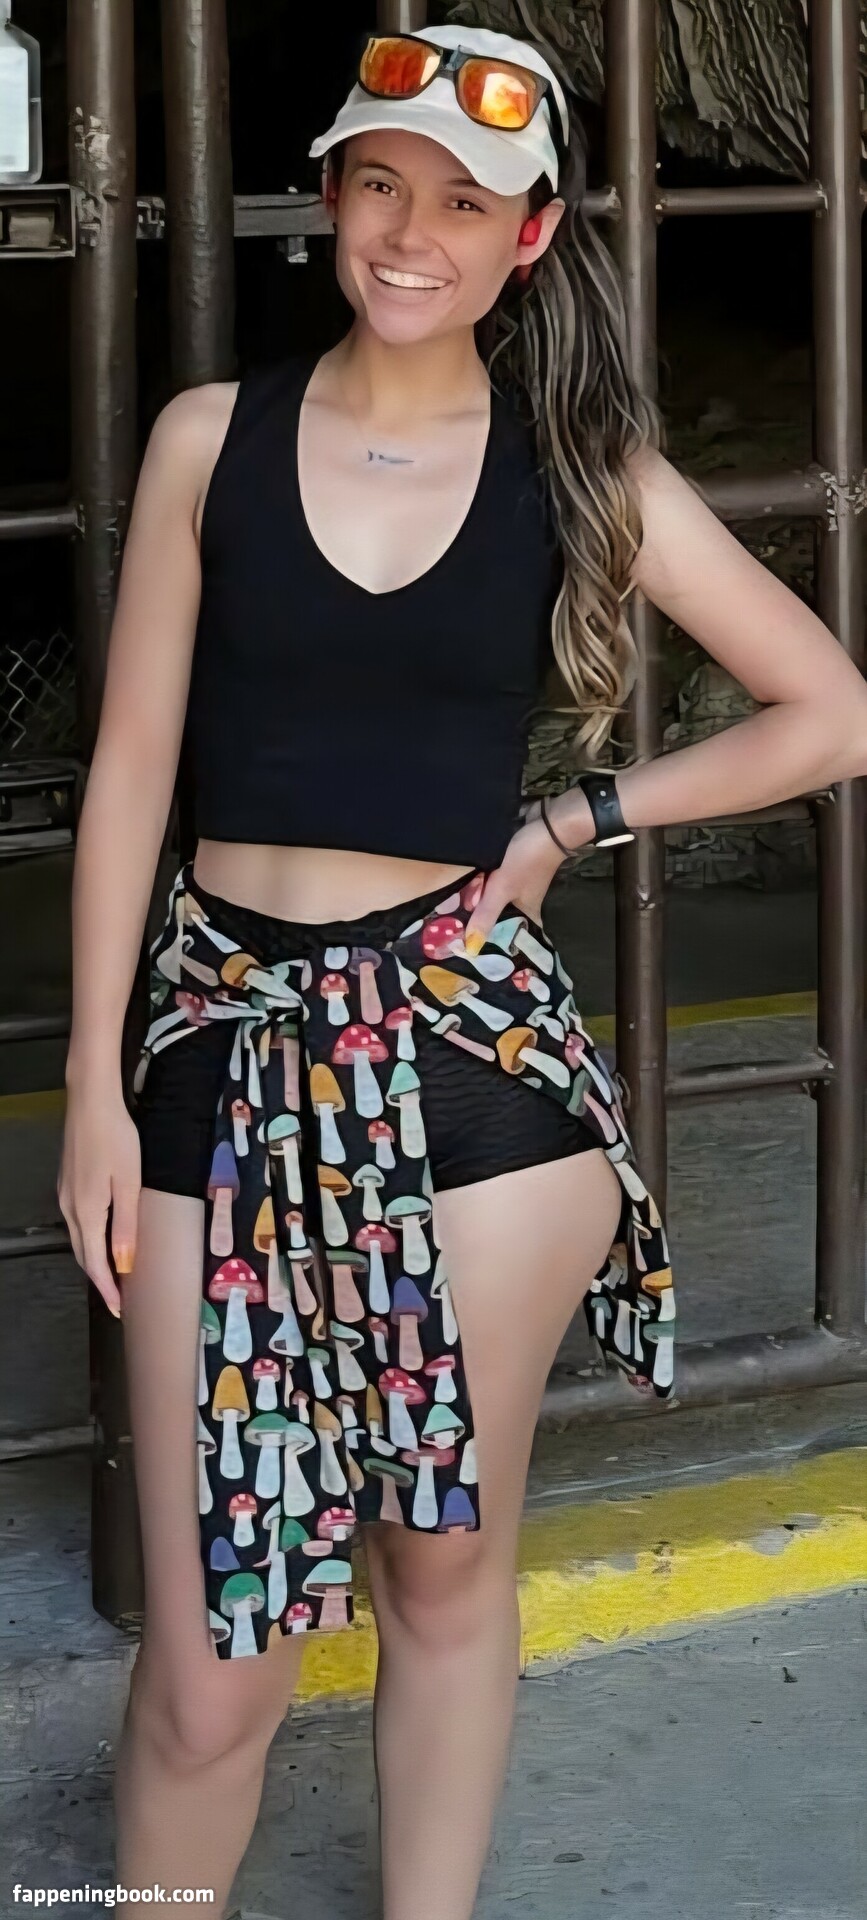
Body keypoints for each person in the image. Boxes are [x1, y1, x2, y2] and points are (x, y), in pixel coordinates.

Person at [57, 21, 867, 1920]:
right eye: (379, 185)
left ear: (531, 233)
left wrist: (579, 819)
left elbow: (831, 711)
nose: (411, 235)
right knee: (213, 1666)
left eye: (463, 202)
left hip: (471, 1068)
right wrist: (96, 1083)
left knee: (439, 1567)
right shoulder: (210, 440)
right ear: (331, 196)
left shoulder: (579, 468)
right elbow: (132, 771)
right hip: (223, 1052)